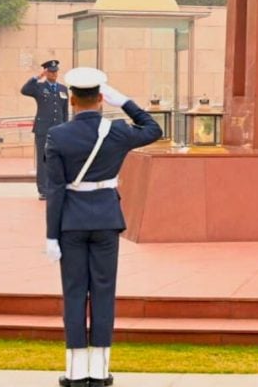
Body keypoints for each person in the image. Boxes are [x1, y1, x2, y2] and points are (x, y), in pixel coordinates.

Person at [45, 67, 162, 387]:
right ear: (100, 98)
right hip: (107, 220)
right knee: (103, 292)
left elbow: (54, 189)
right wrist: (124, 102)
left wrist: (51, 235)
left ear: (71, 99)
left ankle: (75, 371)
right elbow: (154, 129)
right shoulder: (118, 131)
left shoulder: (58, 135)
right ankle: (99, 369)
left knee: (73, 294)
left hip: (71, 223)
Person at [21, 59, 69, 200]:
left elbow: (64, 110)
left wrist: (65, 127)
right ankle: (43, 189)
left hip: (58, 130)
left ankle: (55, 187)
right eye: (51, 72)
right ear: (46, 72)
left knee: (57, 160)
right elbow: (24, 90)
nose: (54, 74)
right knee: (43, 160)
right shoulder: (39, 87)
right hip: (43, 129)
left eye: (55, 71)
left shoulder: (63, 89)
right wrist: (37, 77)